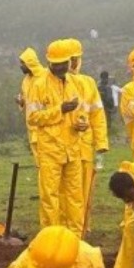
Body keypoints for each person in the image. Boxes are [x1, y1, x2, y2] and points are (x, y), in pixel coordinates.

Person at [26, 39, 87, 231]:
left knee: (75, 196)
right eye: (56, 63)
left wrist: (82, 122)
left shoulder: (74, 83)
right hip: (50, 150)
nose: (60, 67)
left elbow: (80, 111)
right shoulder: (39, 85)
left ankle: (75, 237)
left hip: (72, 149)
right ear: (49, 62)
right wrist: (59, 110)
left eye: (63, 63)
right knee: (50, 197)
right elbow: (33, 118)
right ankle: (51, 236)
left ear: (69, 62)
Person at [65, 39, 109, 233]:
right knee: (65, 192)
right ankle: (64, 230)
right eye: (70, 59)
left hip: (85, 147)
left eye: (76, 58)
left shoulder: (88, 82)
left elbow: (97, 114)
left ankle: (82, 229)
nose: (74, 63)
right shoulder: (55, 82)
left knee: (85, 191)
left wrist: (101, 144)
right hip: (63, 148)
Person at [18, 48, 47, 166]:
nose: (20, 66)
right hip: (31, 126)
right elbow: (27, 101)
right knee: (38, 161)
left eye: (22, 63)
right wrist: (21, 102)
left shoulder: (46, 76)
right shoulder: (25, 81)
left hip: (45, 126)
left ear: (29, 63)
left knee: (48, 160)